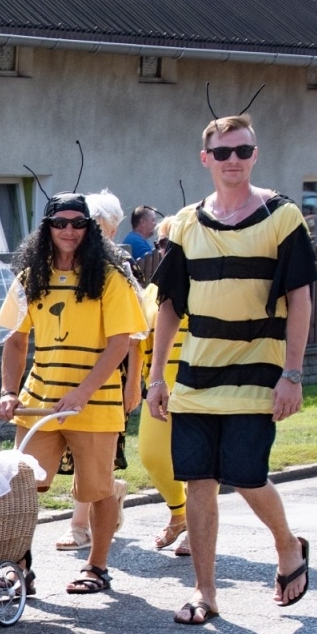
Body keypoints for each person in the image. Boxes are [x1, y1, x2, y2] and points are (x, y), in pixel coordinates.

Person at [146, 112, 315, 625]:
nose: (233, 160)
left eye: (242, 151)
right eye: (222, 152)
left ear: (254, 155)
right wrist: (157, 378)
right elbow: (169, 305)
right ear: (206, 159)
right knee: (198, 482)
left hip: (258, 370)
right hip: (197, 375)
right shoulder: (186, 223)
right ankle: (205, 592)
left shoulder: (283, 217)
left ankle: (287, 545)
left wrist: (292, 373)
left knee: (246, 475)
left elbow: (301, 299)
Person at [0, 193, 144, 595]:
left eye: (78, 223)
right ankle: (19, 567)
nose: (69, 230)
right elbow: (15, 340)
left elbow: (120, 343)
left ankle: (97, 567)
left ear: (89, 229)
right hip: (38, 400)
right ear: (47, 229)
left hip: (96, 403)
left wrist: (83, 392)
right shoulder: (30, 278)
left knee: (98, 489)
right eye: (60, 223)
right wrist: (9, 391)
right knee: (21, 488)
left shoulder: (110, 278)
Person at [51, 190, 142, 553]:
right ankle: (107, 494)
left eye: (89, 225)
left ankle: (79, 525)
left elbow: (136, 333)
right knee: (80, 456)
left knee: (92, 455)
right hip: (68, 368)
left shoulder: (118, 267)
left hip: (109, 373)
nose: (75, 233)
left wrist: (133, 383)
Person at [136, 217, 189, 556]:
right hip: (159, 384)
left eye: (176, 244)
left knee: (199, 462)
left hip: (200, 382)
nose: (168, 251)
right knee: (152, 456)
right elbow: (144, 339)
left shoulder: (208, 281)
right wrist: (145, 380)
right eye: (164, 244)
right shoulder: (154, 289)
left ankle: (195, 524)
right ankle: (179, 512)